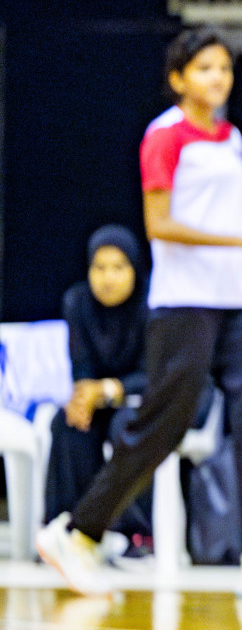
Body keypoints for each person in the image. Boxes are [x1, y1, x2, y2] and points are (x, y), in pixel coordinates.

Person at [36, 28, 242, 601]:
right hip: (183, 304)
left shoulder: (232, 138)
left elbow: (230, 222)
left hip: (235, 303)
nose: (218, 79)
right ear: (178, 79)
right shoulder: (164, 137)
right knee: (164, 424)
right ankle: (78, 530)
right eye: (205, 68)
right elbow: (160, 225)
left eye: (225, 69)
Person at [44, 225, 155, 549]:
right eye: (99, 267)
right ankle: (70, 528)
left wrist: (107, 389)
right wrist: (82, 398)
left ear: (135, 268)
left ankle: (134, 533)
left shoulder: (155, 304)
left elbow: (155, 375)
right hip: (99, 401)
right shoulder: (77, 301)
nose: (108, 278)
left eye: (119, 268)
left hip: (144, 400)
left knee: (129, 426)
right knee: (67, 424)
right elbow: (81, 367)